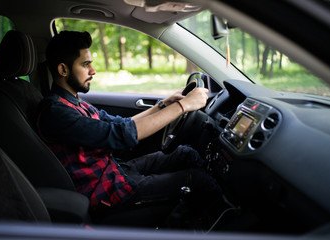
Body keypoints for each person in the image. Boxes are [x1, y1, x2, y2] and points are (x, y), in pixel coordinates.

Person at [37, 31, 222, 228]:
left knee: (185, 153)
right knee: (199, 181)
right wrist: (183, 106)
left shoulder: (73, 103)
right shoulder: (56, 112)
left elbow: (120, 123)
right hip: (106, 191)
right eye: (85, 64)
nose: (93, 71)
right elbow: (120, 135)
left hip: (114, 170)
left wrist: (163, 105)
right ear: (63, 70)